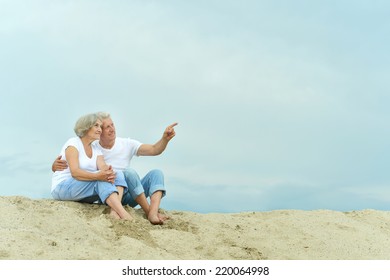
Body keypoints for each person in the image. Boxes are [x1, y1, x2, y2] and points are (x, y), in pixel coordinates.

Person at [52, 112, 177, 224]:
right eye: (105, 127)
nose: (111, 129)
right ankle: (120, 212)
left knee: (155, 173)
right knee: (127, 173)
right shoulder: (84, 144)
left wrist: (165, 139)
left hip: (124, 191)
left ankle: (152, 213)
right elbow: (75, 170)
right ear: (88, 128)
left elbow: (154, 149)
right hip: (102, 192)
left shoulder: (122, 145)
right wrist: (54, 166)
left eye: (112, 125)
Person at [51, 113, 133, 221]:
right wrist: (99, 176)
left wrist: (108, 172)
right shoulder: (73, 143)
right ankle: (123, 213)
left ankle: (114, 211)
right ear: (86, 127)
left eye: (100, 126)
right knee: (100, 181)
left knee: (118, 174)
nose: (100, 130)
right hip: (63, 187)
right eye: (96, 126)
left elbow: (102, 165)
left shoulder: (95, 148)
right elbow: (75, 173)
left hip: (82, 188)